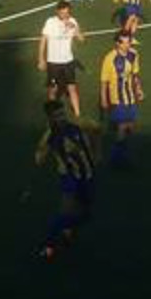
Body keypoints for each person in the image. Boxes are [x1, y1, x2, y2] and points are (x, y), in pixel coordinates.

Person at [35, 100, 98, 260]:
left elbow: (93, 133)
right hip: (70, 178)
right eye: (57, 116)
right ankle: (47, 246)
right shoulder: (51, 135)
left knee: (86, 214)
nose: (61, 118)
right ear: (50, 118)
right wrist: (44, 145)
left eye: (62, 113)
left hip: (88, 175)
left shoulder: (74, 127)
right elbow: (38, 159)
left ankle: (67, 231)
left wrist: (95, 150)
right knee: (65, 212)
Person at [99, 32, 143, 167]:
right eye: (125, 42)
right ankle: (116, 158)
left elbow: (135, 75)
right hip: (117, 98)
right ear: (117, 43)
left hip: (130, 97)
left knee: (130, 126)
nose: (128, 44)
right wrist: (103, 99)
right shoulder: (110, 59)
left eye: (129, 41)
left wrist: (139, 89)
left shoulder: (133, 54)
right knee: (123, 127)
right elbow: (104, 82)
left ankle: (120, 152)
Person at [38, 0, 85, 118]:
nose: (65, 15)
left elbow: (82, 40)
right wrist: (41, 59)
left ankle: (78, 113)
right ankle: (52, 113)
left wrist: (74, 28)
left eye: (67, 13)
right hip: (53, 62)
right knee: (53, 89)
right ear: (57, 12)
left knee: (72, 88)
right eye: (62, 13)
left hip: (68, 61)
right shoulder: (50, 22)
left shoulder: (73, 21)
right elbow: (43, 41)